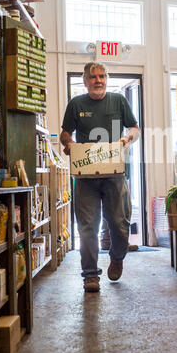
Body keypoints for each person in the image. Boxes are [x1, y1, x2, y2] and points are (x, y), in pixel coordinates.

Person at [60, 62, 140, 292]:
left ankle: (116, 257)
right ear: (85, 81)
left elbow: (135, 128)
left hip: (115, 174)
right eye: (93, 77)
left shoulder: (118, 101)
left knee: (119, 224)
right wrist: (70, 144)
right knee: (87, 227)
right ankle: (90, 275)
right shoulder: (76, 104)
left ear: (106, 78)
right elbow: (66, 133)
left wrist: (127, 139)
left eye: (102, 76)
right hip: (85, 177)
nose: (98, 80)